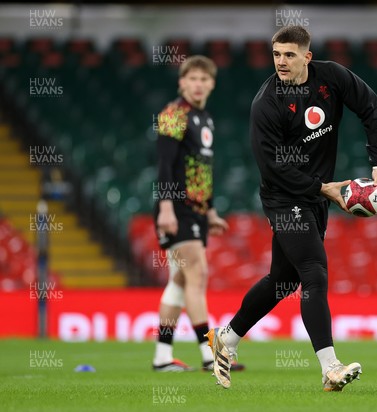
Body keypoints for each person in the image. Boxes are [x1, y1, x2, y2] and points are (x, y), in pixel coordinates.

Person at [206, 26, 377, 390]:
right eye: (276, 55)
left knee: (282, 281)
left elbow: (371, 107)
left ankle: (225, 338)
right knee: (313, 271)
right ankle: (330, 367)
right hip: (283, 196)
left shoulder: (332, 78)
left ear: (307, 55)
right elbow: (272, 165)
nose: (281, 62)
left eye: (289, 55)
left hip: (317, 197)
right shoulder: (267, 103)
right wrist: (325, 189)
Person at [152, 55, 244, 373]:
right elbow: (164, 164)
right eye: (193, 78)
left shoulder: (205, 118)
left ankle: (162, 356)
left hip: (196, 210)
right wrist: (166, 207)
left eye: (204, 79)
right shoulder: (173, 115)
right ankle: (211, 356)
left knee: (178, 281)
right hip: (177, 208)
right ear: (182, 82)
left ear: (212, 84)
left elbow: (202, 170)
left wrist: (211, 210)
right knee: (198, 274)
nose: (198, 84)